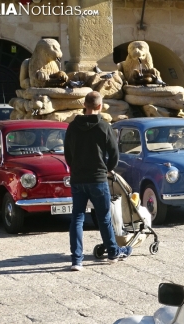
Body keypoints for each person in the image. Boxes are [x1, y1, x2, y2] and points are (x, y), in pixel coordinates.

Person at [64, 91, 132, 271]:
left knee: (77, 218)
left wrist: (75, 168)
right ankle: (112, 252)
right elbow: (115, 153)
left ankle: (76, 260)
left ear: (84, 105)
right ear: (100, 106)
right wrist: (107, 168)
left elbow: (68, 154)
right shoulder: (104, 126)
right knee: (104, 217)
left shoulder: (72, 127)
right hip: (98, 178)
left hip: (78, 178)